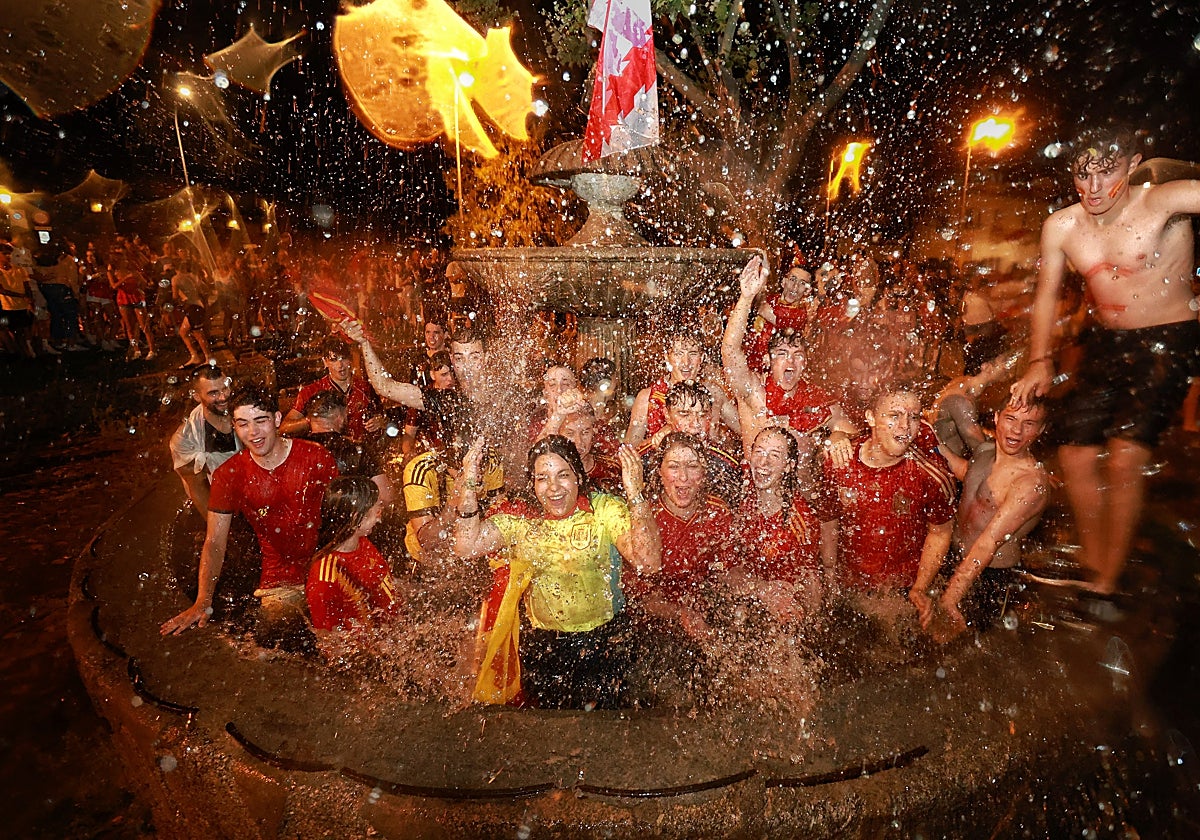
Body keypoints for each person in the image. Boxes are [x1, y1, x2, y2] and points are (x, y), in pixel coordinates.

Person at [1009, 125, 1200, 596]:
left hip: (1169, 339)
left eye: (1105, 173)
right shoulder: (1062, 226)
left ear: (1133, 165)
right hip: (1108, 344)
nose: (1092, 189)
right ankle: (1096, 569)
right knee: (1074, 451)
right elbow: (1046, 296)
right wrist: (1039, 359)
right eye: (1082, 175)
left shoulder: (1164, 201)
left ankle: (1107, 580)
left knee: (1125, 456)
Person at [454, 435, 661, 708]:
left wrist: (635, 493)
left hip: (604, 643)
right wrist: (469, 485)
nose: (554, 488)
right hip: (545, 648)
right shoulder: (522, 521)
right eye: (542, 478)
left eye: (563, 475)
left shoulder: (603, 509)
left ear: (578, 476)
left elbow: (649, 562)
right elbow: (466, 546)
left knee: (604, 736)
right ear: (532, 483)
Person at [160, 385, 339, 649]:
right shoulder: (229, 475)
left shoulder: (315, 456)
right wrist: (203, 602)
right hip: (280, 577)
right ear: (234, 426)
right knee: (274, 639)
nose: (253, 433)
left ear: (277, 419)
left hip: (325, 563)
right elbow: (215, 541)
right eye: (243, 424)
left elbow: (343, 518)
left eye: (260, 421)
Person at [915, 399, 1050, 640]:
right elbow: (967, 474)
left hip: (988, 576)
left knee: (963, 648)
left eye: (1028, 424)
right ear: (997, 418)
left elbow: (987, 544)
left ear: (1040, 430)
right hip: (954, 557)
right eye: (1011, 419)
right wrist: (925, 441)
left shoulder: (1031, 483)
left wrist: (950, 599)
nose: (1017, 431)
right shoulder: (986, 452)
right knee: (926, 636)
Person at [826, 385, 957, 633]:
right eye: (894, 416)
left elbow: (941, 532)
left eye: (914, 417)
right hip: (849, 588)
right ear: (871, 417)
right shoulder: (840, 461)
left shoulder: (930, 474)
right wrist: (830, 574)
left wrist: (920, 588)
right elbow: (828, 520)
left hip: (901, 595)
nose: (905, 427)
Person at [722, 255, 856, 465]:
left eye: (797, 355)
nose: (790, 361)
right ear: (769, 359)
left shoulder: (816, 400)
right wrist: (747, 296)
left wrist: (840, 436)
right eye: (782, 354)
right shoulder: (755, 392)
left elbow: (858, 438)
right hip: (755, 492)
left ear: (805, 363)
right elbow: (730, 349)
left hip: (796, 495)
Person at [726, 426, 835, 627]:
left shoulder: (800, 521)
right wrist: (762, 590)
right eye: (758, 452)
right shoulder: (737, 496)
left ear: (789, 466)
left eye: (774, 456)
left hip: (779, 614)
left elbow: (810, 586)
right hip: (747, 600)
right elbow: (725, 572)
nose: (763, 462)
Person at [633, 433, 733, 640]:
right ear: (659, 471)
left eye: (692, 466)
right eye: (674, 466)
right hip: (657, 632)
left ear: (704, 473)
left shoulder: (718, 512)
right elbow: (640, 599)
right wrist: (680, 614)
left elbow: (731, 572)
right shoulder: (645, 519)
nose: (683, 477)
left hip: (708, 620)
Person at [306, 477, 401, 649]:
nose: (380, 517)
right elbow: (331, 646)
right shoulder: (326, 576)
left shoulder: (364, 544)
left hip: (393, 640)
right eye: (376, 509)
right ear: (357, 518)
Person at [636, 381, 744, 509]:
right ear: (667, 415)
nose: (695, 424)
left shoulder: (725, 466)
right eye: (685, 414)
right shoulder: (644, 459)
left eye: (702, 415)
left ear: (710, 416)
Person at [280, 336, 391, 443]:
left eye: (343, 358)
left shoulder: (365, 388)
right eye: (334, 360)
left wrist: (380, 422)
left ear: (350, 360)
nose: (340, 365)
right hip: (325, 453)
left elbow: (387, 421)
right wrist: (313, 420)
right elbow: (284, 428)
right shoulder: (310, 392)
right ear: (325, 362)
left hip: (358, 454)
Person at [168, 364, 240, 519]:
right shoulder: (185, 439)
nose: (223, 397)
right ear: (196, 396)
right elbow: (198, 487)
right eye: (213, 393)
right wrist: (218, 533)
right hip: (220, 500)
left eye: (225, 389)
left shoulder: (246, 410)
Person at [302, 389, 393, 505]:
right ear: (339, 416)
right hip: (348, 519)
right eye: (346, 413)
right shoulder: (356, 449)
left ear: (309, 418)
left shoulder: (296, 448)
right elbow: (386, 496)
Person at [171, 256, 213, 367]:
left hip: (192, 307)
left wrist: (180, 299)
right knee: (183, 332)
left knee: (198, 334)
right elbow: (203, 290)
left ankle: (208, 357)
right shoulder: (192, 276)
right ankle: (195, 356)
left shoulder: (175, 278)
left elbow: (174, 296)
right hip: (198, 305)